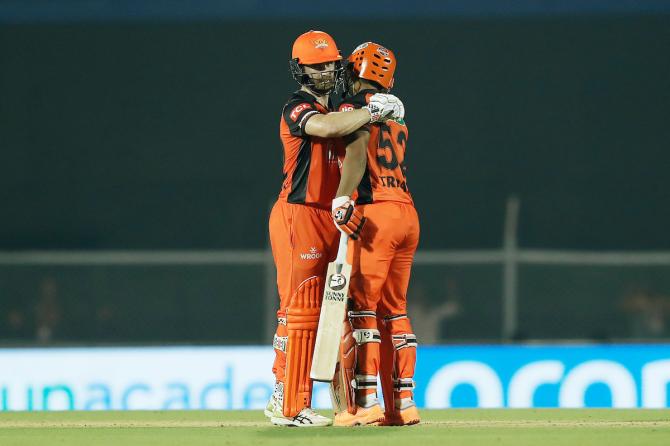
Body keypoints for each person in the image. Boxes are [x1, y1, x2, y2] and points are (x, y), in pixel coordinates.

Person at [265, 30, 404, 427]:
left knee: (333, 313)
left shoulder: (344, 109)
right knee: (301, 310)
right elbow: (326, 129)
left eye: (330, 63)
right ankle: (292, 406)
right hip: (298, 214)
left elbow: (352, 142)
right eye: (316, 65)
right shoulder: (295, 108)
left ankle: (307, 398)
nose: (326, 70)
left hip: (332, 215)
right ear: (300, 69)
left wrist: (346, 201)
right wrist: (376, 110)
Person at [330, 42, 420, 426]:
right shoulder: (399, 118)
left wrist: (342, 196)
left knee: (361, 311)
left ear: (355, 70)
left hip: (375, 214)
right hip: (406, 212)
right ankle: (404, 403)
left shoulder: (353, 109)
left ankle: (366, 403)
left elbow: (357, 148)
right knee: (395, 310)